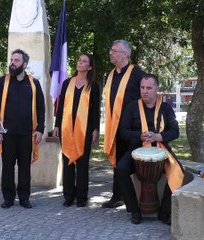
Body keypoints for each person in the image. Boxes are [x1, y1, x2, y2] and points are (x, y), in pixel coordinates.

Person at [117, 74, 184, 224]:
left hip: (161, 149)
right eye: (142, 88)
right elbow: (123, 131)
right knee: (121, 169)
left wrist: (158, 136)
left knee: (178, 171)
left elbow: (175, 132)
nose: (145, 91)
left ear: (156, 89)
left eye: (149, 88)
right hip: (136, 150)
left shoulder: (166, 108)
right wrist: (139, 135)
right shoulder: (132, 107)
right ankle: (134, 210)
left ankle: (165, 211)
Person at [0, 49, 45, 209]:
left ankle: (24, 197)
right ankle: (8, 197)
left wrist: (40, 129)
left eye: (16, 60)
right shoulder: (2, 82)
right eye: (12, 60)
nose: (12, 63)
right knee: (7, 167)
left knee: (24, 167)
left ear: (25, 64)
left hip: (27, 133)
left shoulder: (34, 83)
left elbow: (41, 108)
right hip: (7, 133)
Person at [102, 39, 146, 208]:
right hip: (115, 126)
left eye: (114, 51)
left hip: (133, 128)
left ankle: (137, 199)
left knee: (133, 163)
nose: (111, 53)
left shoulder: (138, 75)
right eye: (111, 50)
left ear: (125, 54)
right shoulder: (111, 74)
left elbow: (145, 98)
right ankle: (117, 196)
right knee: (117, 162)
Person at [53, 53, 100, 208]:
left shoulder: (93, 85)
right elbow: (61, 107)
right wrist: (57, 125)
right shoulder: (67, 83)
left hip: (84, 129)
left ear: (90, 66)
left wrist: (95, 129)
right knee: (67, 162)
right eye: (79, 60)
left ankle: (81, 197)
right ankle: (68, 196)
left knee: (82, 164)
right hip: (66, 128)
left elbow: (95, 111)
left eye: (84, 61)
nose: (80, 63)